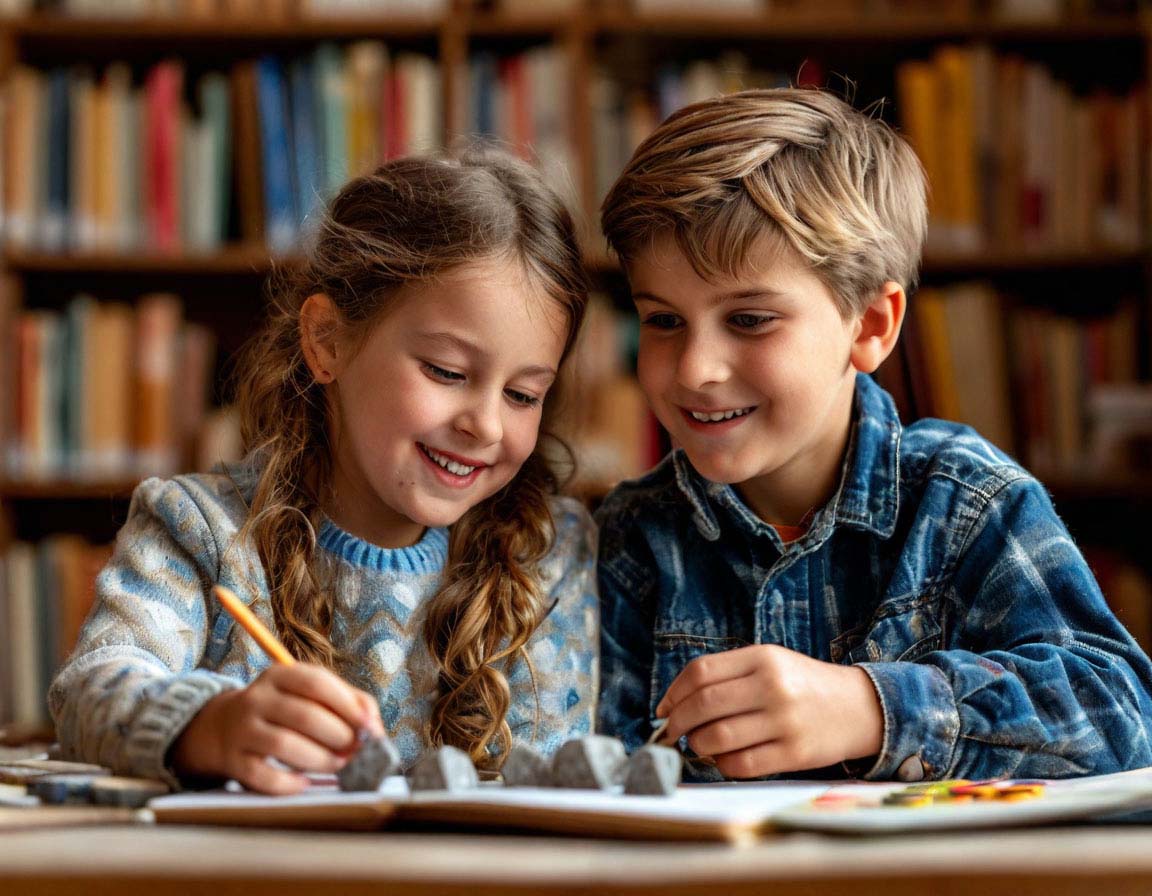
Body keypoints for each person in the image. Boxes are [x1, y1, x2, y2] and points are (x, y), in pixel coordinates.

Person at [595, 87, 1152, 784]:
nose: (696, 370)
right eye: (664, 320)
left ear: (871, 326)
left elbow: (1123, 710)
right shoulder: (631, 536)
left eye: (749, 320)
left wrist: (869, 708)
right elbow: (600, 775)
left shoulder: (965, 502)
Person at [50, 148, 598, 794]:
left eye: (523, 395)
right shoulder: (200, 530)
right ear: (328, 340)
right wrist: (212, 725)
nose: (486, 425)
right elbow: (93, 688)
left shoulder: (549, 552)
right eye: (447, 373)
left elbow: (553, 777)